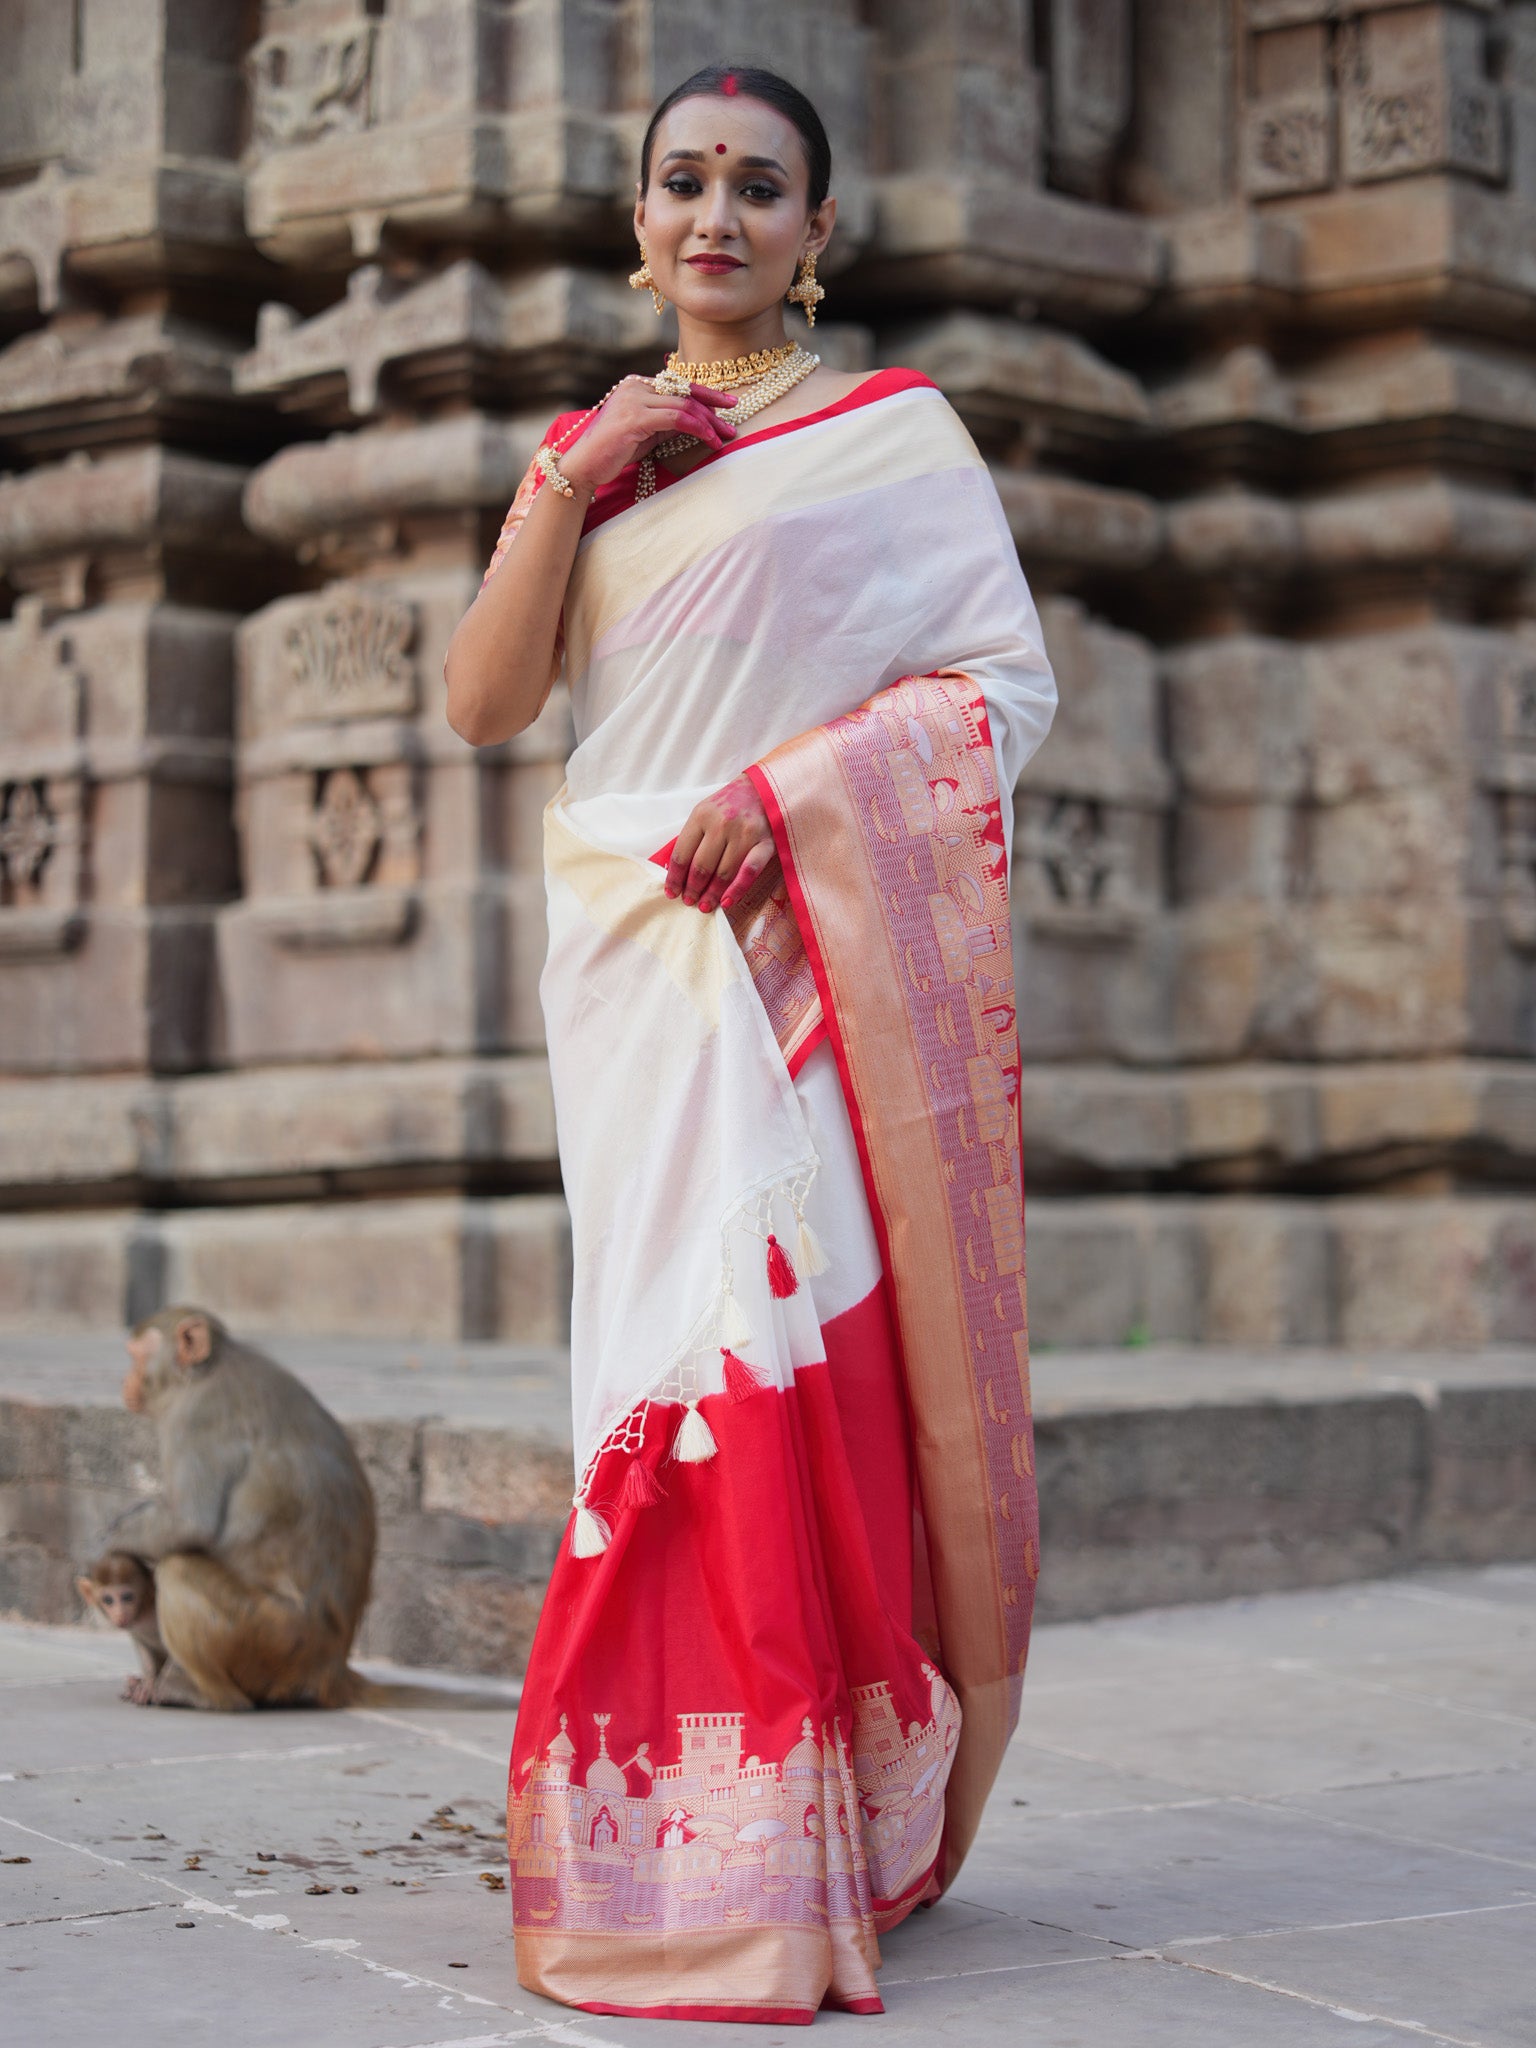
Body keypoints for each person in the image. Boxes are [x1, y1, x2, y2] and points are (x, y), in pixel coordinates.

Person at [445, 62, 1057, 2027]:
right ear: (638, 229)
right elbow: (484, 703)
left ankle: (800, 1828)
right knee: (652, 1358)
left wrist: (798, 799)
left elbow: (1000, 683)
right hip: (632, 969)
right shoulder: (592, 452)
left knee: (778, 1363)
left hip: (797, 956)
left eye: (758, 186)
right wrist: (579, 466)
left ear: (818, 236)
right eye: (680, 182)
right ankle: (656, 1829)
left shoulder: (894, 442)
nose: (715, 212)